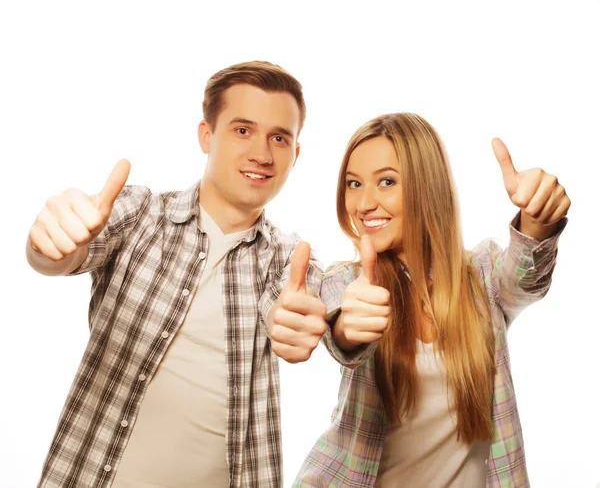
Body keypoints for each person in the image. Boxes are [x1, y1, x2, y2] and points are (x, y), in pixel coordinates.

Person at [26, 61, 327, 488]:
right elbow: (66, 250)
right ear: (207, 135)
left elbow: (311, 305)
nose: (262, 153)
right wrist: (47, 244)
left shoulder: (288, 259)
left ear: (294, 154)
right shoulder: (140, 215)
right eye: (243, 130)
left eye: (279, 137)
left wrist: (311, 326)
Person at [292, 113, 570, 487]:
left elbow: (526, 278)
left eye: (386, 181)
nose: (363, 203)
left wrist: (538, 220)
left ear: (428, 186)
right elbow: (340, 328)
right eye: (353, 184)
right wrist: (348, 327)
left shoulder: (483, 274)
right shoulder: (346, 280)